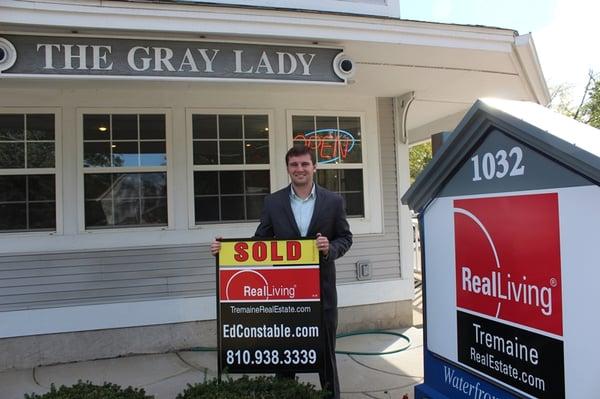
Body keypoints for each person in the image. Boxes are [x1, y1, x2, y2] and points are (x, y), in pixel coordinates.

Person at [211, 145, 352, 399]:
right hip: (285, 295)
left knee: (326, 357)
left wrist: (330, 247)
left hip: (322, 293)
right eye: (294, 165)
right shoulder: (273, 202)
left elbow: (345, 238)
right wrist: (227, 250)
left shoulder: (333, 201)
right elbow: (260, 241)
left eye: (305, 164)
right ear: (288, 169)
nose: (300, 169)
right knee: (285, 357)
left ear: (314, 168)